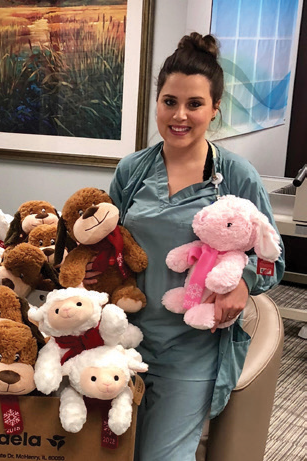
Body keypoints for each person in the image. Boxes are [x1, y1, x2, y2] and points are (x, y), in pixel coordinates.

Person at [107, 32, 285, 460]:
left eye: (195, 104)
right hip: (124, 339)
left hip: (191, 348)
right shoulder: (132, 171)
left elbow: (272, 261)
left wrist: (243, 283)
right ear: (156, 102)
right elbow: (107, 244)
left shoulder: (236, 175)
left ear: (215, 108)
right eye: (169, 101)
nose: (180, 115)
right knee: (109, 451)